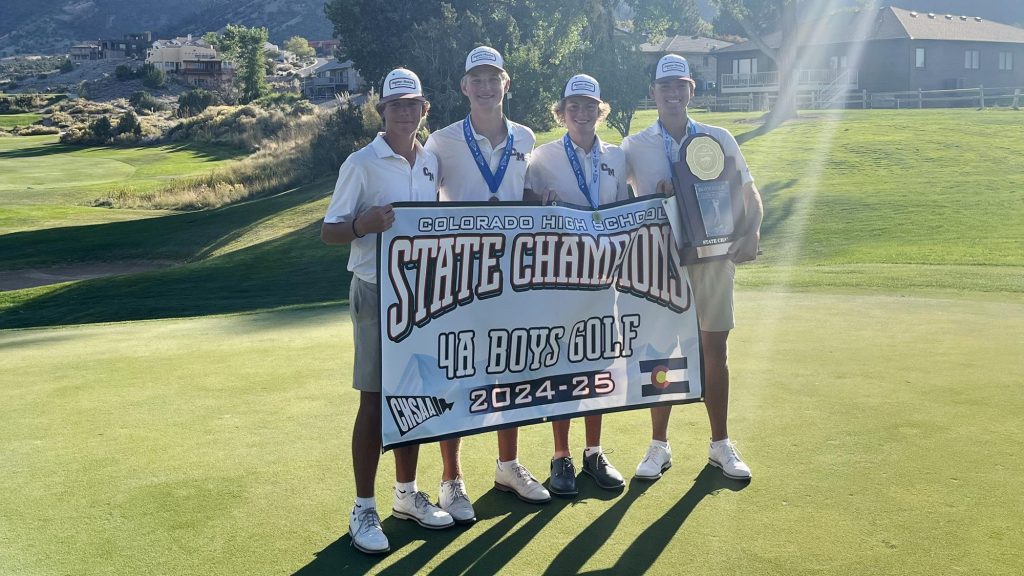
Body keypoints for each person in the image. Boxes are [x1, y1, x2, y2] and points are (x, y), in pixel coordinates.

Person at [321, 68, 454, 555]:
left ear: (424, 110)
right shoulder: (362, 162)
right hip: (376, 291)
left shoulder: (431, 162)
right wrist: (361, 223)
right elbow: (329, 231)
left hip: (422, 296)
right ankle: (362, 506)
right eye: (395, 105)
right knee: (375, 400)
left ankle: (405, 495)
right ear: (383, 112)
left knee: (413, 396)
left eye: (412, 104)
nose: (404, 112)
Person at [621, 54, 763, 482]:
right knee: (661, 352)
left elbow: (748, 191)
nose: (672, 92)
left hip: (714, 260)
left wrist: (752, 231)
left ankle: (720, 443)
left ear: (691, 90)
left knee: (713, 352)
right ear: (653, 92)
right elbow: (616, 199)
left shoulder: (718, 138)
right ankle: (659, 446)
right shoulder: (635, 146)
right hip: (660, 265)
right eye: (664, 85)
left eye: (680, 85)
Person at [425, 46, 551, 512]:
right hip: (459, 277)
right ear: (463, 86)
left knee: (510, 368)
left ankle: (507, 465)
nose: (484, 85)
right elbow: (422, 202)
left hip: (513, 274)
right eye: (476, 78)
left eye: (492, 77)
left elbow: (518, 190)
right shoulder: (440, 141)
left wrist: (540, 198)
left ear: (506, 83)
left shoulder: (524, 135)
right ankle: (452, 479)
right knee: (455, 374)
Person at [525, 73, 628, 496]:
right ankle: (560, 456)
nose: (582, 114)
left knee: (596, 367)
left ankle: (593, 452)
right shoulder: (543, 156)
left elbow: (627, 210)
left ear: (600, 111)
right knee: (562, 367)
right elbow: (523, 206)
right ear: (562, 113)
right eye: (574, 107)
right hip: (560, 280)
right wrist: (541, 202)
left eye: (590, 107)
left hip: (604, 280)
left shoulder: (618, 157)